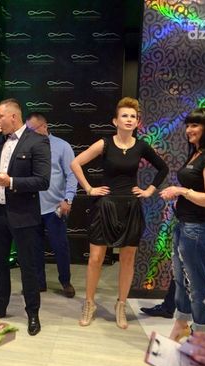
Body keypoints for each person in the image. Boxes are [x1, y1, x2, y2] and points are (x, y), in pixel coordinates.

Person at [70, 97, 168, 329]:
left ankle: (121, 305)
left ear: (137, 122)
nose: (129, 119)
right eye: (125, 116)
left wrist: (149, 190)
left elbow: (163, 168)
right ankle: (89, 303)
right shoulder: (104, 143)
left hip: (130, 207)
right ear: (115, 121)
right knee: (95, 258)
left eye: (133, 116)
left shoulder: (141, 146)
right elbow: (76, 163)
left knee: (127, 259)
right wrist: (89, 189)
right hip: (105, 206)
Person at [0, 98, 51, 336]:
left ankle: (33, 313)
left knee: (28, 266)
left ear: (14, 117)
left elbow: (43, 180)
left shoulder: (37, 141)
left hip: (23, 214)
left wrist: (12, 182)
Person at [159, 108, 205, 340]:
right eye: (188, 125)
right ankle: (181, 324)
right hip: (184, 225)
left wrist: (181, 191)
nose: (189, 130)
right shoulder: (197, 153)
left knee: (198, 286)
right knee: (181, 280)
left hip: (198, 230)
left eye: (195, 125)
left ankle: (200, 335)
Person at [25, 112, 77, 298]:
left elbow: (72, 174)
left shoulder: (62, 146)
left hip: (55, 207)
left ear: (44, 126)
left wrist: (68, 199)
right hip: (31, 207)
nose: (28, 133)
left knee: (60, 246)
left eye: (31, 130)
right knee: (34, 248)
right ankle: (39, 282)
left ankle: (65, 281)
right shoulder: (26, 146)